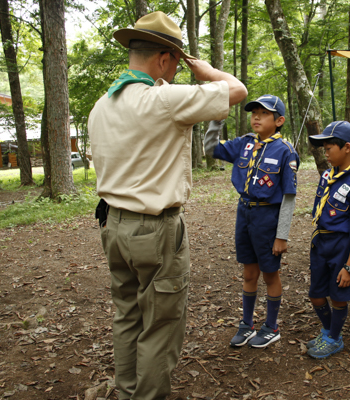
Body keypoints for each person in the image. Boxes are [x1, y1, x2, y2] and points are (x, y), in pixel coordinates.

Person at [88, 11, 246, 400]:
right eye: (176, 61)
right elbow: (237, 90)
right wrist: (207, 71)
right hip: (155, 232)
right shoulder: (163, 99)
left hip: (113, 226)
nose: (177, 71)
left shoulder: (101, 106)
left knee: (127, 315)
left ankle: (126, 392)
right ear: (163, 58)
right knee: (160, 325)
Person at [203, 95, 300, 348]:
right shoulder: (244, 144)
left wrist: (282, 235)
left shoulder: (285, 151)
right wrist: (216, 120)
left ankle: (271, 326)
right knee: (248, 272)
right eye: (254, 112)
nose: (256, 116)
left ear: (279, 121)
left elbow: (289, 198)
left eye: (264, 113)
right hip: (244, 212)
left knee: (270, 274)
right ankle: (247, 324)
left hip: (268, 217)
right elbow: (210, 149)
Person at [305, 121, 350, 359]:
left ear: (346, 147)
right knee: (316, 293)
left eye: (329, 146)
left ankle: (334, 338)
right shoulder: (327, 175)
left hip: (342, 246)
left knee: (338, 296)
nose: (325, 151)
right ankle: (329, 331)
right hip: (321, 243)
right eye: (323, 147)